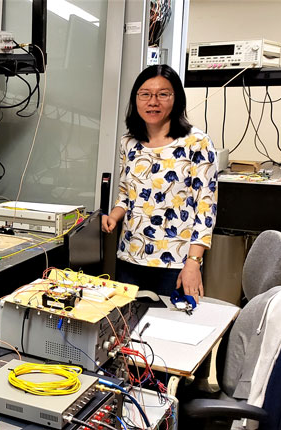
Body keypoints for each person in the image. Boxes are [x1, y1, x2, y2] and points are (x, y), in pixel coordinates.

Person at [102, 64, 218, 301]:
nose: (153, 101)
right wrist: (113, 216)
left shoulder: (197, 142)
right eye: (145, 94)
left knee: (174, 331)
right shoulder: (129, 142)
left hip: (176, 263)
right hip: (130, 258)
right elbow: (126, 194)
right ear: (136, 99)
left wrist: (193, 263)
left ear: (176, 99)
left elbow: (206, 209)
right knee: (127, 331)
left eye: (163, 94)